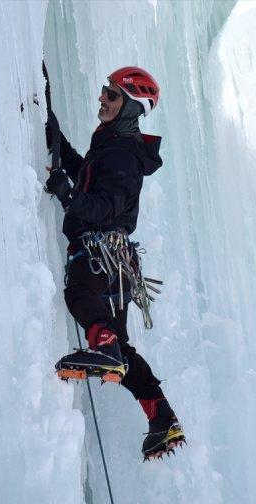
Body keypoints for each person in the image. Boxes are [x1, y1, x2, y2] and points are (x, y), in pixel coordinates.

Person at [45, 66, 185, 460]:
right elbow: (85, 177)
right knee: (120, 346)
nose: (102, 98)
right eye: (105, 91)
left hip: (99, 253)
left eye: (112, 95)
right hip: (115, 262)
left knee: (79, 296)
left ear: (131, 108)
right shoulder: (113, 147)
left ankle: (103, 347)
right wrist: (56, 138)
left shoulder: (122, 153)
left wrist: (68, 197)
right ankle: (161, 417)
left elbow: (107, 205)